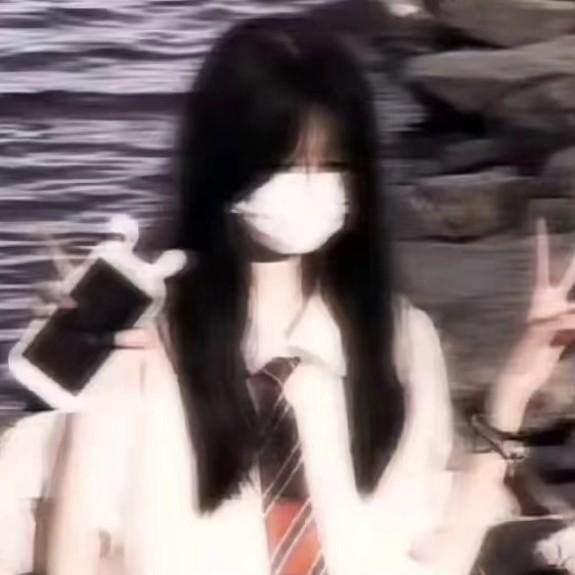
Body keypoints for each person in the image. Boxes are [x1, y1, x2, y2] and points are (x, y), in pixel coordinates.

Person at [2, 13, 575, 575]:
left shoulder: (398, 341)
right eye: (282, 164)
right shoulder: (143, 351)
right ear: (224, 167)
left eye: (331, 164)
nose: (308, 186)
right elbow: (68, 562)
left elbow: (432, 556)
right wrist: (83, 383)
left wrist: (514, 389)